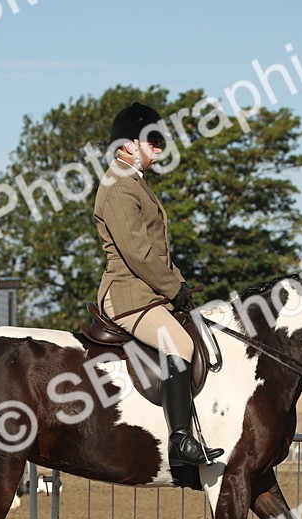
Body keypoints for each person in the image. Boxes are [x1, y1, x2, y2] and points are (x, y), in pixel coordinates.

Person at [94, 102, 223, 467]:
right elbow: (139, 255)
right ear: (128, 144)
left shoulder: (134, 182)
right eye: (153, 140)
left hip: (150, 293)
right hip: (128, 296)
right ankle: (180, 441)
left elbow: (156, 253)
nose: (160, 148)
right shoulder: (118, 186)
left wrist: (178, 286)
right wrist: (174, 289)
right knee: (179, 343)